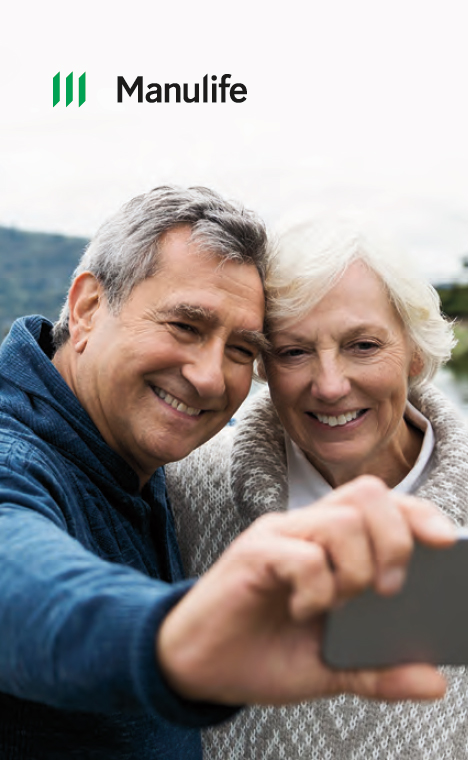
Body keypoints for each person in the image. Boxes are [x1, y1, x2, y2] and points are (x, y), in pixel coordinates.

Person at [0, 190, 452, 760]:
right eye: (186, 325)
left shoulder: (146, 468)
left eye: (241, 348)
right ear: (88, 308)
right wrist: (174, 641)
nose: (211, 378)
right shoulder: (19, 456)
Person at [167, 214, 468, 760]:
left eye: (363, 345)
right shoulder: (186, 488)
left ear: (416, 354)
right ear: (264, 364)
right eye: (293, 351)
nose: (329, 386)